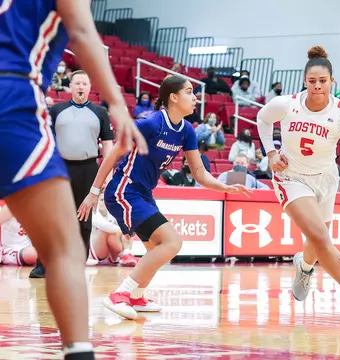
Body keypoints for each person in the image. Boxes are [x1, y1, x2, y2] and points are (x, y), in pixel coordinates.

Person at [0, 1, 147, 358]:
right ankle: (79, 353)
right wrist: (117, 101)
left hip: (77, 163)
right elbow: (81, 32)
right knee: (64, 249)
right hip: (12, 94)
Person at [78, 75, 251, 321]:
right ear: (173, 97)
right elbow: (114, 153)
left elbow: (199, 174)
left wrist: (225, 187)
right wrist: (93, 193)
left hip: (143, 193)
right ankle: (120, 295)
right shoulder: (150, 123)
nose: (195, 98)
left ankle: (137, 296)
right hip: (123, 190)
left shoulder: (187, 131)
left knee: (157, 249)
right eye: (190, 92)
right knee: (172, 242)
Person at [256, 46, 340, 323]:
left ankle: (304, 267)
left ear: (332, 81)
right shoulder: (287, 104)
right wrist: (270, 152)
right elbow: (262, 118)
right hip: (291, 178)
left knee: (316, 243)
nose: (317, 86)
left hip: (326, 180)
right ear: (304, 81)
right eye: (312, 81)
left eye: (323, 81)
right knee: (320, 238)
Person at [30, 70, 115, 279]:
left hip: (88, 169)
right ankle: (43, 264)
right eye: (77, 83)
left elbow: (107, 144)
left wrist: (109, 172)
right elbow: (45, 139)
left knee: (83, 219)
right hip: (59, 168)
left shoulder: (100, 112)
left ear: (89, 87)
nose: (80, 87)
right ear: (71, 86)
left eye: (84, 84)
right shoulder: (57, 110)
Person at [86, 192, 138, 267]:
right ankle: (125, 255)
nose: (103, 202)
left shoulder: (113, 212)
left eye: (105, 200)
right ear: (96, 201)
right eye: (101, 200)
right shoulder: (92, 211)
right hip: (96, 253)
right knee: (106, 231)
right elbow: (104, 226)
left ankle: (127, 254)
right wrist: (123, 230)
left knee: (125, 230)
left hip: (112, 255)